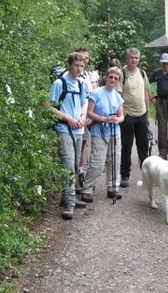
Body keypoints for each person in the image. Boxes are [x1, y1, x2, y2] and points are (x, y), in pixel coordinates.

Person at [46, 51, 90, 220]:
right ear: (69, 65)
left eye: (82, 66)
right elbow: (49, 106)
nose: (79, 69)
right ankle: (70, 204)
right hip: (64, 129)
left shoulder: (81, 84)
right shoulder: (59, 83)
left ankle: (68, 197)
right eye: (76, 66)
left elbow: (85, 102)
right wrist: (68, 118)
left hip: (78, 129)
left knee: (75, 166)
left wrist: (82, 116)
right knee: (68, 165)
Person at [80, 67, 125, 203]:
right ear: (106, 77)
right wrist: (104, 119)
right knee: (97, 162)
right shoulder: (97, 93)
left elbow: (121, 115)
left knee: (115, 160)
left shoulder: (118, 96)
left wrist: (118, 119)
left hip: (114, 131)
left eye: (116, 78)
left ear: (118, 81)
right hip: (99, 130)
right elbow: (89, 112)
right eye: (111, 77)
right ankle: (87, 188)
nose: (112, 80)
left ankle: (112, 187)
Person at [116, 47, 151, 188]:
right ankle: (125, 175)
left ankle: (147, 175)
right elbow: (118, 94)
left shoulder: (142, 73)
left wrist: (148, 114)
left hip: (141, 114)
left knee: (143, 146)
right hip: (128, 115)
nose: (134, 60)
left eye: (136, 58)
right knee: (127, 146)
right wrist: (122, 110)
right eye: (132, 58)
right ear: (127, 58)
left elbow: (146, 94)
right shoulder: (121, 73)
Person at [76, 47, 99, 193]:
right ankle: (77, 176)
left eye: (87, 58)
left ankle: (81, 173)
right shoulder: (74, 76)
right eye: (83, 57)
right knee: (78, 147)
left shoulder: (87, 76)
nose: (85, 59)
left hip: (87, 115)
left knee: (84, 144)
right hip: (76, 116)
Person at [149, 53, 168, 159]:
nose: (165, 65)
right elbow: (147, 83)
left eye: (167, 62)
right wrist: (152, 97)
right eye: (163, 63)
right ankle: (163, 152)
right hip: (161, 102)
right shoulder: (157, 72)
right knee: (162, 127)